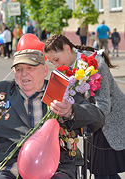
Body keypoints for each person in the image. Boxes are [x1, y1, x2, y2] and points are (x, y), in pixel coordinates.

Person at [0, 48, 105, 179]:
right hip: (6, 165)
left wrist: (71, 111)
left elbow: (97, 118)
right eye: (18, 69)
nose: (24, 74)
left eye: (30, 68)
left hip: (54, 166)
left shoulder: (60, 92)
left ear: (44, 70)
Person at [44, 34, 125, 179]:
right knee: (104, 172)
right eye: (51, 62)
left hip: (109, 122)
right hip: (94, 121)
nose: (55, 65)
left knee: (102, 172)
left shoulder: (96, 65)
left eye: (56, 59)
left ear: (67, 49)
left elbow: (104, 106)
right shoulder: (68, 67)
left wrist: (79, 112)